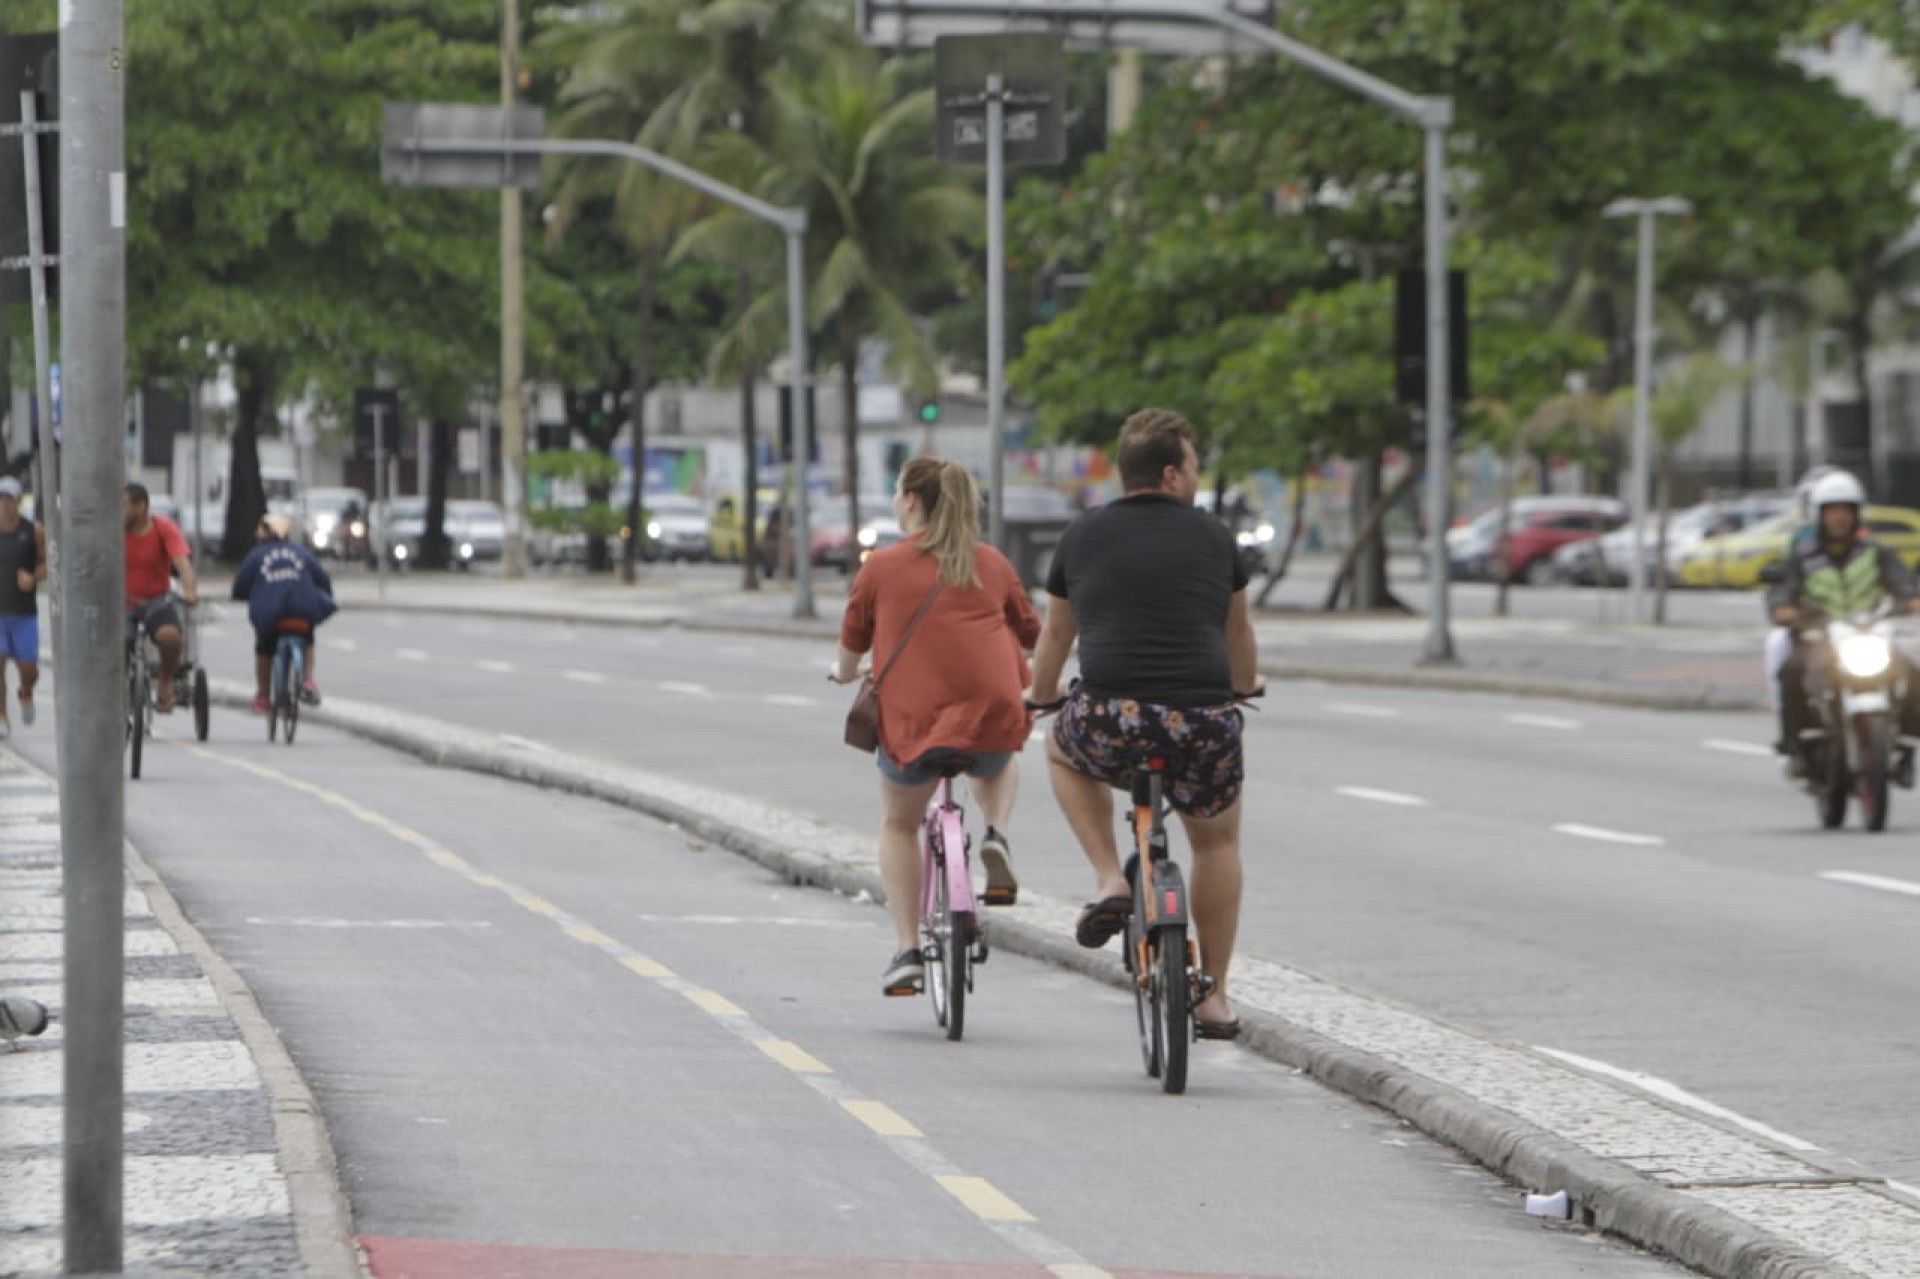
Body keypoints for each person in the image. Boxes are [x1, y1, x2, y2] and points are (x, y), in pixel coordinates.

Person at [1027, 408, 1261, 1040]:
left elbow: (1056, 632)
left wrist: (1040, 696)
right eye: (1192, 465)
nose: (1196, 476)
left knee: (1058, 748)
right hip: (1201, 722)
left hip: (1113, 717)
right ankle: (1213, 995)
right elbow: (1237, 631)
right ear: (1170, 473)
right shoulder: (1214, 538)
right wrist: (1244, 688)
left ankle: (1109, 876)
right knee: (1216, 843)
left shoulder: (1080, 537)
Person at [833, 458, 1041, 997]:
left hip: (914, 730)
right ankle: (995, 832)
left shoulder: (881, 566)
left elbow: (852, 642)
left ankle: (906, 949)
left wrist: (844, 673)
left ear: (913, 502)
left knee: (898, 825)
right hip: (990, 720)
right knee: (1001, 751)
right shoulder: (991, 564)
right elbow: (1032, 632)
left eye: (899, 492)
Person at [1768, 469, 1920, 773]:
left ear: (1857, 514)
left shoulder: (1876, 552)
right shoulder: (1803, 555)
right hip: (1821, 636)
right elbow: (1784, 590)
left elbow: (1902, 583)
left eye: (1846, 511)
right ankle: (1796, 745)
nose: (1839, 518)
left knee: (1912, 672)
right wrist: (1785, 609)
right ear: (1820, 515)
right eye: (1833, 511)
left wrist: (1911, 599)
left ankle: (1906, 746)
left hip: (1870, 633)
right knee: (1792, 670)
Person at [232, 513, 337, 712]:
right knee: (308, 639)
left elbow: (239, 588)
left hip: (271, 619)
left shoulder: (256, 556)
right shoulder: (301, 552)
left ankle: (263, 695)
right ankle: (307, 679)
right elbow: (323, 579)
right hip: (302, 615)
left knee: (264, 648)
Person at [123, 482, 198, 713]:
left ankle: (165, 681)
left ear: (140, 507)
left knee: (170, 637)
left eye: (123, 506)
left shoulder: (163, 528)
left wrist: (190, 590)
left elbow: (182, 562)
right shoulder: (113, 531)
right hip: (123, 603)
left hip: (157, 599)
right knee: (118, 641)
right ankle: (117, 690)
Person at [0, 477, 47, 740]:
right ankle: (2, 716)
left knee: (29, 669)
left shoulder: (33, 531)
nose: (4, 503)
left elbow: (47, 561)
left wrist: (34, 577)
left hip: (23, 613)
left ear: (18, 501)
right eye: (0, 498)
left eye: (9, 498)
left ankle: (26, 691)